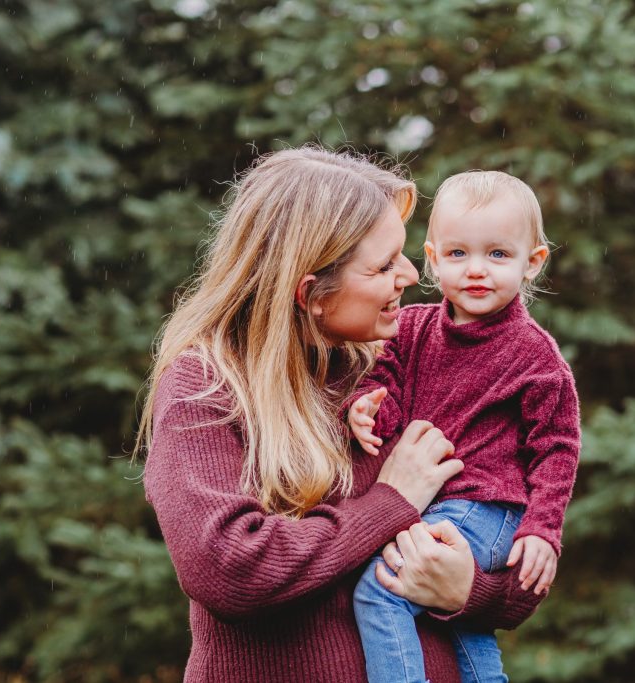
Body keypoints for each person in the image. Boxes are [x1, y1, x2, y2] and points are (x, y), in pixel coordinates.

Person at [134, 148, 545, 683]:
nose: (408, 275)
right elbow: (230, 571)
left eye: (402, 255)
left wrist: (471, 592)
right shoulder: (205, 388)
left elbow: (497, 533)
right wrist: (390, 503)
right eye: (382, 265)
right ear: (311, 294)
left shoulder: (389, 371)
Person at [347, 171, 581, 683]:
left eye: (497, 255)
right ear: (431, 258)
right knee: (461, 629)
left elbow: (557, 449)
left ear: (532, 262)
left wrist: (543, 528)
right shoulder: (410, 328)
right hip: (440, 505)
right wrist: (365, 409)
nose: (476, 270)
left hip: (490, 508)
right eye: (458, 254)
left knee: (382, 588)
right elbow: (386, 388)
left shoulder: (535, 356)